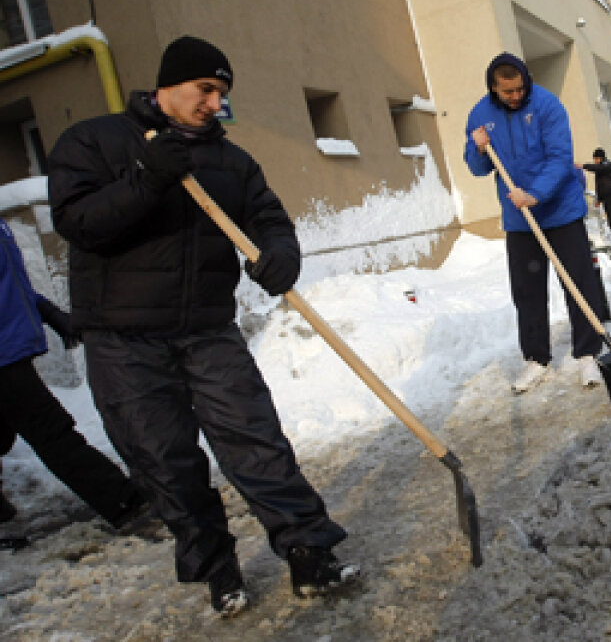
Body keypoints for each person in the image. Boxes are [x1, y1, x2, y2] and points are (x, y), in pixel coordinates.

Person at [47, 36, 358, 617]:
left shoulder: (230, 161)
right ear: (168, 84)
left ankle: (309, 551)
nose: (216, 104)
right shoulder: (95, 141)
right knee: (164, 461)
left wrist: (280, 252)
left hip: (208, 329)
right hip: (122, 338)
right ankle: (218, 569)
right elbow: (80, 223)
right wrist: (147, 179)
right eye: (206, 90)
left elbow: (267, 216)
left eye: (222, 93)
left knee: (256, 441)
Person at [464, 52, 606, 393]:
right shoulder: (480, 115)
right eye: (507, 91)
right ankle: (536, 358)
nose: (515, 96)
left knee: (578, 282)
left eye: (520, 89)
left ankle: (588, 353)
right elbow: (478, 169)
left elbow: (560, 158)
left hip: (560, 211)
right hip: (520, 221)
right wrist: (477, 148)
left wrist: (535, 194)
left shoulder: (547, 105)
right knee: (527, 292)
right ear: (494, 88)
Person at [1, 218, 147, 534]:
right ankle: (123, 501)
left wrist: (49, 313)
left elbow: (10, 284)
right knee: (51, 431)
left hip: (10, 347)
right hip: (3, 357)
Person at [579, 147, 611, 255]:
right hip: (606, 198)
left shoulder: (608, 165)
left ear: (601, 158)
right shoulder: (600, 169)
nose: (595, 161)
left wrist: (583, 166)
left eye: (596, 158)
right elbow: (600, 185)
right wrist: (599, 199)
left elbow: (600, 168)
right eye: (594, 159)